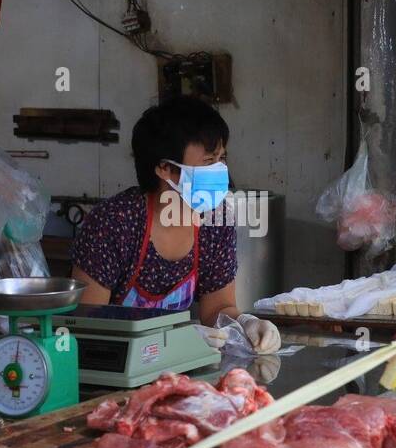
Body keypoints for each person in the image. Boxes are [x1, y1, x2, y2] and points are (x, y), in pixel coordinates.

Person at [71, 96, 281, 352]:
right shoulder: (115, 222)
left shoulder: (215, 220)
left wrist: (245, 323)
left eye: (221, 159)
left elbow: (217, 308)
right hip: (113, 366)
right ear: (165, 169)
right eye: (208, 162)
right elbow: (88, 321)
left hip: (178, 370)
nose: (220, 170)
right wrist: (168, 336)